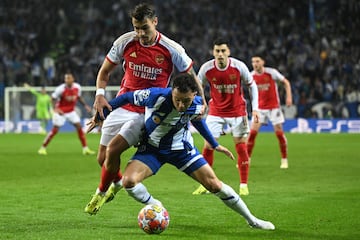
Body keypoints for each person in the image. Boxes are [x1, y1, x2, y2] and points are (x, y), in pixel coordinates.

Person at [86, 73, 275, 230]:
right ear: (172, 92)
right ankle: (156, 206)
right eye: (177, 100)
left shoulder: (197, 104)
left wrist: (214, 144)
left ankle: (252, 220)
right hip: (153, 149)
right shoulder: (155, 96)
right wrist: (103, 113)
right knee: (128, 181)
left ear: (194, 95)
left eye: (186, 101)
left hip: (182, 149)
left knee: (214, 185)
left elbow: (198, 121)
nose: (181, 105)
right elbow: (127, 97)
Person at [84, 3, 206, 214]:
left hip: (147, 110)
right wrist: (100, 97)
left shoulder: (171, 48)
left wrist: (203, 102)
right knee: (103, 159)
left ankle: (100, 194)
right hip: (123, 102)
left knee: (114, 149)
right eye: (137, 28)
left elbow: (193, 77)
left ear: (155, 22)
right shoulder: (125, 41)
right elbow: (104, 72)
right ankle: (118, 183)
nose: (140, 33)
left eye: (145, 28)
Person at [192, 39, 259, 196]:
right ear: (213, 52)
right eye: (217, 51)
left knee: (241, 146)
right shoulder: (206, 68)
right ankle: (206, 184)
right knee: (208, 146)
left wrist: (255, 109)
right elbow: (197, 86)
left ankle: (243, 184)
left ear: (228, 52)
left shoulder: (238, 66)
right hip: (215, 111)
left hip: (237, 111)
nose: (220, 54)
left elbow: (252, 85)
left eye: (223, 51)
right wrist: (200, 104)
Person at [247, 54, 293, 169]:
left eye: (257, 61)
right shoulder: (250, 76)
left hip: (274, 108)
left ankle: (284, 159)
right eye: (253, 62)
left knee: (279, 134)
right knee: (252, 134)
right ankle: (246, 160)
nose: (255, 64)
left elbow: (286, 82)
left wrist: (289, 97)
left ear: (263, 62)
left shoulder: (271, 73)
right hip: (260, 109)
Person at [37, 72, 95, 155]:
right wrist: (56, 109)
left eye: (68, 78)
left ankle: (85, 149)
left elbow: (78, 97)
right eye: (66, 78)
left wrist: (85, 105)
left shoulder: (77, 87)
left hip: (71, 112)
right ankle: (43, 148)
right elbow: (52, 98)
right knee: (55, 130)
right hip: (61, 112)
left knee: (79, 126)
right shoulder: (61, 89)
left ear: (72, 79)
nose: (67, 80)